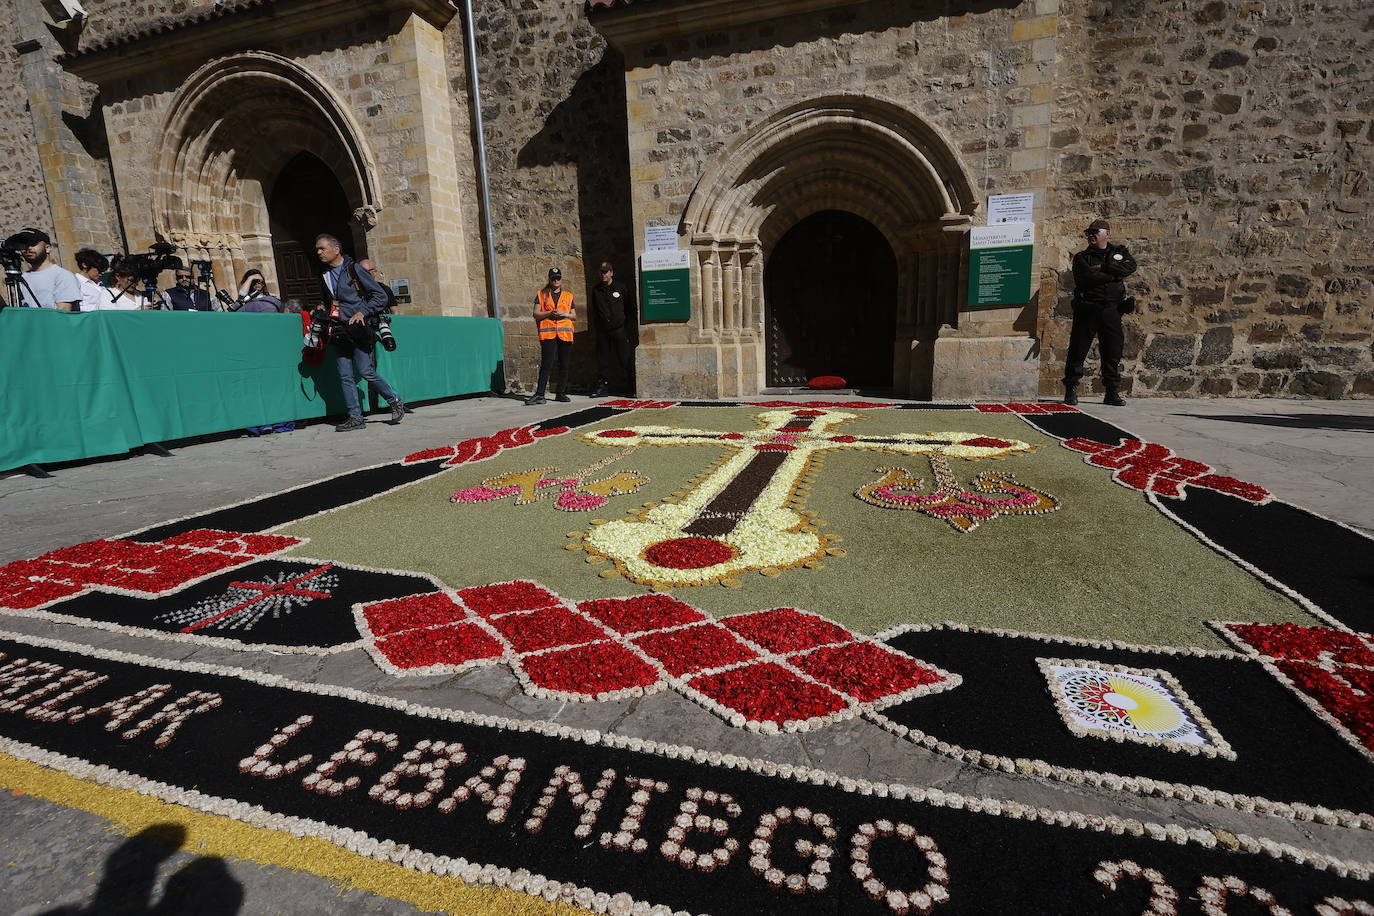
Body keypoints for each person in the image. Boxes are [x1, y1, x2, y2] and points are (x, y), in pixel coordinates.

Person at [314, 233, 405, 431]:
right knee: (345, 375)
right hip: (338, 330)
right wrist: (323, 310)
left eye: (322, 248)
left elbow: (379, 296)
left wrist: (362, 312)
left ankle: (394, 399)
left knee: (365, 371)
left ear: (336, 249)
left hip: (358, 329)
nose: (318, 252)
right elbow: (329, 301)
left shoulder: (354, 269)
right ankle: (355, 417)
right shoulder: (322, 274)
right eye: (317, 249)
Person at [1065, 219, 1137, 407]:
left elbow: (1130, 267)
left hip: (1112, 309)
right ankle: (1071, 388)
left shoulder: (1119, 252)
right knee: (1078, 349)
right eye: (1088, 232)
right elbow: (1087, 278)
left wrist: (1104, 268)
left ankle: (1111, 392)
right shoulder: (1082, 257)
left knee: (1112, 351)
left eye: (1095, 231)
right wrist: (1115, 275)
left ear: (1107, 233)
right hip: (1089, 307)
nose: (1091, 235)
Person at [524, 267, 575, 406]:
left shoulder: (568, 296)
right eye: (553, 278)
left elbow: (574, 315)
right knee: (547, 364)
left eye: (558, 278)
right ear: (549, 279)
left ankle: (561, 393)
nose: (556, 280)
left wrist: (564, 314)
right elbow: (536, 314)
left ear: (561, 279)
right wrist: (549, 313)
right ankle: (540, 394)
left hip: (565, 334)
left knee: (564, 364)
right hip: (549, 333)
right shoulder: (541, 294)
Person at [590, 261, 633, 397]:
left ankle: (631, 387)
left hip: (619, 329)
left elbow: (629, 307)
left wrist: (626, 326)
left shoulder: (621, 288)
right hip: (603, 331)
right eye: (602, 272)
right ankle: (603, 387)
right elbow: (595, 310)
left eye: (606, 272)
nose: (603, 275)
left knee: (625, 359)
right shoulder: (596, 290)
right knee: (603, 361)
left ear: (611, 273)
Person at [13, 228, 79, 310]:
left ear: (47, 248)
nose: (28, 248)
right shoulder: (22, 277)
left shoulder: (63, 276)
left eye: (33, 243)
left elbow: (63, 312)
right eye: (24, 244)